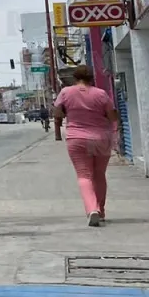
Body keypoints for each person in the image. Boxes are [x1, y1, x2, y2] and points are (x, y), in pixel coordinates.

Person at [54, 65, 119, 227]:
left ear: (75, 78)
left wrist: (65, 118)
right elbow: (112, 116)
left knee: (84, 175)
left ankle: (92, 209)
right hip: (101, 138)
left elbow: (57, 113)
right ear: (92, 78)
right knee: (99, 175)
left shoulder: (66, 92)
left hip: (77, 138)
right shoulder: (101, 94)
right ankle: (101, 211)